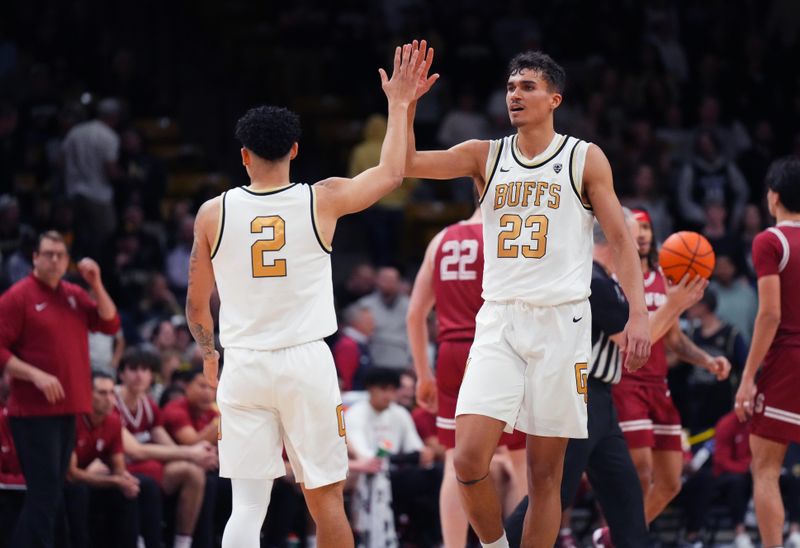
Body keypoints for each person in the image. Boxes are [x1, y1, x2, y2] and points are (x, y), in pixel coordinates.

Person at [405, 44, 651, 547]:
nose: (515, 94)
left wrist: (640, 314)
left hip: (562, 325)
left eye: (528, 86)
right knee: (468, 459)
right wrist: (403, 105)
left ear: (554, 99)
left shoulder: (584, 157)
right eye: (511, 86)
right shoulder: (484, 154)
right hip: (499, 319)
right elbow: (404, 162)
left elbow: (621, 241)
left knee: (546, 479)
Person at [185, 43, 429, 548]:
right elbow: (391, 174)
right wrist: (400, 104)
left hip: (245, 364)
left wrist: (210, 355)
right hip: (304, 364)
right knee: (325, 501)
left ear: (243, 155)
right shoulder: (322, 198)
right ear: (295, 149)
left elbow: (196, 302)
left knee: (247, 506)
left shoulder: (213, 212)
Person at [504, 210, 706, 548]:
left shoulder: (602, 279)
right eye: (627, 237)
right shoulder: (591, 281)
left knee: (627, 501)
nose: (634, 245)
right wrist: (673, 306)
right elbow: (635, 344)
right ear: (614, 240)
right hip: (578, 399)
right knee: (554, 494)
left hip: (600, 402)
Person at [407, 206, 526, 548]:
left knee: (452, 463)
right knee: (521, 461)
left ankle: (453, 545)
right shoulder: (508, 234)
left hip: (450, 354)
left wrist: (422, 374)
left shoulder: (442, 238)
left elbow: (415, 314)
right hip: (494, 352)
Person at [0, 230, 120, 547]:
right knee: (43, 496)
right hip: (33, 411)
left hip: (70, 408)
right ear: (35, 258)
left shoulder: (73, 294)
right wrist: (34, 374)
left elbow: (110, 323)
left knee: (53, 495)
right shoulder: (18, 296)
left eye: (60, 255)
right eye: (48, 254)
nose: (54, 260)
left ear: (67, 261)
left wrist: (95, 283)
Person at [614, 209, 731, 527]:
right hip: (624, 381)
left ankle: (612, 539)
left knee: (670, 482)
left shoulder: (663, 280)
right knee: (638, 470)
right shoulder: (613, 276)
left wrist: (707, 360)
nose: (642, 234)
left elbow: (675, 341)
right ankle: (624, 538)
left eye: (647, 228)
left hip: (658, 385)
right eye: (636, 228)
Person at [735, 156, 800, 548]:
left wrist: (747, 379)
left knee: (766, 469)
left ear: (772, 197)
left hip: (788, 360)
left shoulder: (769, 241)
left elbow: (770, 314)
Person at [115, 349, 216, 548]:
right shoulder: (113, 401)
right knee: (151, 480)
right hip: (117, 468)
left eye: (145, 370)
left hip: (146, 469)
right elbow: (135, 450)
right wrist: (191, 452)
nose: (139, 375)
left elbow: (168, 445)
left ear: (152, 375)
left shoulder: (149, 405)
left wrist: (198, 456)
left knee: (193, 472)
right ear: (121, 374)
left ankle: (183, 543)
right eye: (133, 369)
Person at [346, 368, 437, 547]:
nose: (388, 395)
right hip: (369, 472)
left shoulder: (400, 414)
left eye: (392, 390)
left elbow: (417, 448)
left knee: (435, 475)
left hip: (398, 469)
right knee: (394, 477)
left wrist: (425, 453)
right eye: (384, 389)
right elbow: (365, 455)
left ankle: (428, 539)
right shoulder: (356, 414)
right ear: (371, 389)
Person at [64, 371, 144, 548]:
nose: (110, 399)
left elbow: (118, 467)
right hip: (66, 481)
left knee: (134, 488)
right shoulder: (72, 420)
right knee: (79, 492)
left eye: (111, 393)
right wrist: (115, 480)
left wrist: (125, 480)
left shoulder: (114, 421)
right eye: (102, 393)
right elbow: (71, 474)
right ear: (87, 393)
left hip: (92, 476)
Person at [332, 304, 374, 390]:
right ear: (356, 322)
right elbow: (345, 380)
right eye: (369, 322)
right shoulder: (348, 345)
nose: (373, 325)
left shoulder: (362, 343)